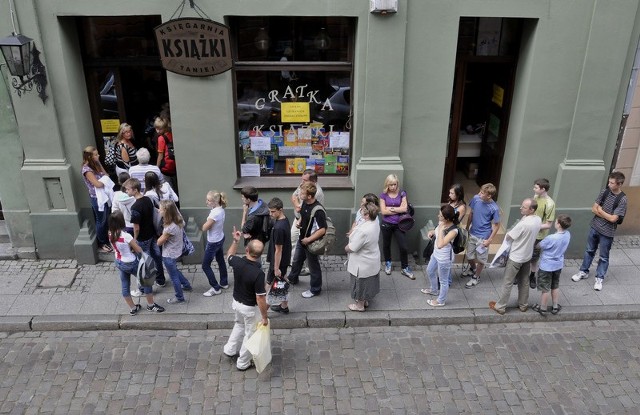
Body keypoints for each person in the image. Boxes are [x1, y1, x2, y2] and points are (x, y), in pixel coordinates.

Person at [571, 171, 628, 291]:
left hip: (607, 232)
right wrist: (605, 214)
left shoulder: (622, 199)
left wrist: (601, 211)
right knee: (589, 250)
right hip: (595, 227)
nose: (609, 184)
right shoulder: (605, 192)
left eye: (612, 183)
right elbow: (593, 208)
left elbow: (613, 219)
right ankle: (583, 271)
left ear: (619, 184)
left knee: (603, 256)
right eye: (609, 181)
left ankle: (599, 278)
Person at [223, 226, 268, 371]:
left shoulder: (237, 262)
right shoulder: (258, 273)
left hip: (236, 302)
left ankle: (230, 349)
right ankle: (243, 362)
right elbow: (260, 298)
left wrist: (236, 241)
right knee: (250, 334)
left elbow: (229, 255)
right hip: (249, 308)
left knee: (238, 324)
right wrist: (264, 317)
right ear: (260, 255)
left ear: (247, 251)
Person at [489, 198, 542, 315]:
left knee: (507, 282)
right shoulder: (537, 220)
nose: (521, 208)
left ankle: (501, 306)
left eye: (524, 207)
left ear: (531, 210)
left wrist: (509, 232)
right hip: (527, 256)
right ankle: (523, 304)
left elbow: (509, 237)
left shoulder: (523, 224)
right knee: (524, 281)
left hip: (516, 257)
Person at [108, 211, 164, 315]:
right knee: (147, 281)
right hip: (130, 262)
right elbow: (138, 249)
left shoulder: (110, 233)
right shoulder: (126, 236)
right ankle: (151, 305)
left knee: (125, 285)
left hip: (119, 261)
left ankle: (133, 308)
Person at [122, 178, 166, 292]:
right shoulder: (148, 199)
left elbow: (136, 227)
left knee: (144, 263)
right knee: (156, 257)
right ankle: (161, 280)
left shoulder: (135, 207)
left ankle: (146, 288)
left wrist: (135, 240)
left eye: (127, 189)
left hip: (142, 238)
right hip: (152, 234)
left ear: (135, 190)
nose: (126, 191)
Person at [287, 182, 327, 298]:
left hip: (311, 242)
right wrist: (299, 223)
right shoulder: (304, 202)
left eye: (302, 193)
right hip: (302, 238)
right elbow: (304, 217)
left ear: (309, 196)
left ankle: (315, 289)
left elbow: (322, 230)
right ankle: (292, 279)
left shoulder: (318, 210)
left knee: (313, 266)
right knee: (297, 260)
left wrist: (308, 240)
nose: (299, 194)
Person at [532, 215, 572, 316]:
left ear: (558, 224)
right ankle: (555, 306)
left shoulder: (551, 238)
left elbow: (539, 246)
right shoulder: (567, 234)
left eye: (556, 222)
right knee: (555, 285)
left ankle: (543, 308)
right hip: (558, 265)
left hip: (546, 266)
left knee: (545, 288)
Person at [463, 183, 501, 288]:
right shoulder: (476, 199)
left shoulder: (494, 208)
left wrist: (490, 240)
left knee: (481, 259)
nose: (479, 194)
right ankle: (473, 269)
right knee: (469, 256)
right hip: (472, 233)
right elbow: (471, 213)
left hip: (483, 237)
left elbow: (497, 225)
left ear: (489, 196)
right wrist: (467, 227)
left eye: (482, 193)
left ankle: (476, 277)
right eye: (480, 191)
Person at [345, 202, 381, 312]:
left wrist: (346, 248)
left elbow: (353, 247)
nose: (360, 213)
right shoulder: (375, 222)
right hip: (371, 258)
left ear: (367, 215)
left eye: (362, 212)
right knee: (368, 282)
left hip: (362, 262)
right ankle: (364, 300)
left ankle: (360, 305)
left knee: (360, 283)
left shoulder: (364, 231)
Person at [421, 205, 458, 307]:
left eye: (440, 216)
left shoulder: (453, 231)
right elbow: (436, 232)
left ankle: (441, 301)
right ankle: (433, 290)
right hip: (435, 254)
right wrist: (432, 232)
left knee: (443, 280)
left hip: (444, 259)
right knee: (430, 270)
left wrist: (441, 231)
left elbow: (440, 244)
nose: (438, 216)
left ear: (446, 218)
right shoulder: (442, 223)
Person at [157, 200, 193, 304]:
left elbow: (159, 242)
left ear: (166, 211)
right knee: (174, 270)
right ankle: (186, 285)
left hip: (169, 254)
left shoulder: (170, 228)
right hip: (177, 250)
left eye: (160, 209)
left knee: (173, 277)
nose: (159, 210)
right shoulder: (179, 220)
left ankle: (179, 297)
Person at [379, 174, 413, 279]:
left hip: (399, 224)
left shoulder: (402, 193)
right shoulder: (383, 195)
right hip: (386, 224)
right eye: (391, 185)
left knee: (403, 247)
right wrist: (397, 208)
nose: (393, 187)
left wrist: (391, 209)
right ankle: (388, 263)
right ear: (387, 185)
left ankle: (404, 268)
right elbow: (383, 211)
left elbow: (404, 209)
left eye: (395, 184)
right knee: (386, 245)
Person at [290, 169, 325, 272]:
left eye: (305, 180)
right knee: (294, 240)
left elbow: (320, 226)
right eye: (302, 179)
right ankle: (296, 267)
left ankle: (308, 268)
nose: (302, 182)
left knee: (310, 247)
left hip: (310, 224)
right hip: (299, 219)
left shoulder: (317, 193)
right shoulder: (304, 185)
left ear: (313, 181)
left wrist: (299, 208)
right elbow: (294, 196)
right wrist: (297, 205)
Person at [81, 146, 112, 253]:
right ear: (90, 156)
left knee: (106, 218)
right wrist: (105, 181)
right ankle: (102, 242)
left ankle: (107, 239)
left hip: (104, 196)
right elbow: (97, 184)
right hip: (97, 198)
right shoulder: (87, 170)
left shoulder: (95, 165)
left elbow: (106, 175)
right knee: (101, 220)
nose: (98, 155)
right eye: (96, 154)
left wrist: (99, 163)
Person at [527, 178, 556, 289]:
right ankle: (521, 275)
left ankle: (532, 276)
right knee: (524, 253)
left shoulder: (550, 204)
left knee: (534, 258)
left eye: (536, 187)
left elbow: (548, 224)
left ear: (543, 189)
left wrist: (534, 226)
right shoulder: (535, 197)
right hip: (530, 232)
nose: (533, 189)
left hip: (539, 236)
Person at [266, 197, 292, 313]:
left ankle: (263, 314)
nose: (270, 214)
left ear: (280, 210)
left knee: (269, 286)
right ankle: (284, 306)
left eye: (273, 211)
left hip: (278, 261)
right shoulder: (285, 220)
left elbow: (278, 250)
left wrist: (276, 268)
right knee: (281, 282)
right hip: (284, 259)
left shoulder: (278, 228)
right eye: (269, 211)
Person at [201, 190, 229, 297]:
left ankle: (216, 288)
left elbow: (205, 227)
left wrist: (204, 224)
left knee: (205, 265)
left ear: (214, 202)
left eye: (208, 200)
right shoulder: (220, 209)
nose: (206, 202)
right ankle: (224, 282)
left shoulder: (214, 213)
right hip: (220, 238)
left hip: (213, 242)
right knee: (220, 260)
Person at [155, 117, 177, 193]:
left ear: (164, 128)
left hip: (166, 166)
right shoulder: (172, 134)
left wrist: (157, 167)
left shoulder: (161, 138)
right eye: (156, 128)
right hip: (174, 164)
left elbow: (160, 155)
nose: (157, 131)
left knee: (168, 187)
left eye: (159, 129)